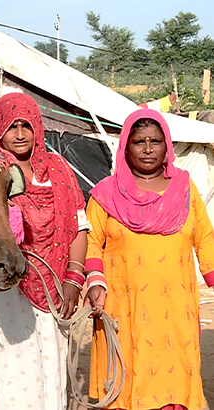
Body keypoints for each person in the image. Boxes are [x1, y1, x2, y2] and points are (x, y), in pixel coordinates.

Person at [0, 92, 89, 409]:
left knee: (49, 371)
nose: (20, 134)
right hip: (3, 293)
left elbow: (79, 226)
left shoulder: (59, 171)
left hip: (54, 289)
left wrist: (74, 279)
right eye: (11, 126)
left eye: (27, 125)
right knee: (9, 378)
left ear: (38, 128)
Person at [85, 108, 214, 410]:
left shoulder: (185, 189)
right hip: (125, 310)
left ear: (166, 145)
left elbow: (205, 238)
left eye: (155, 141)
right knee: (127, 385)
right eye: (138, 141)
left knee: (174, 387)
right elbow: (91, 242)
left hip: (175, 313)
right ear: (125, 146)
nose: (147, 149)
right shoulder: (105, 194)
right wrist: (95, 283)